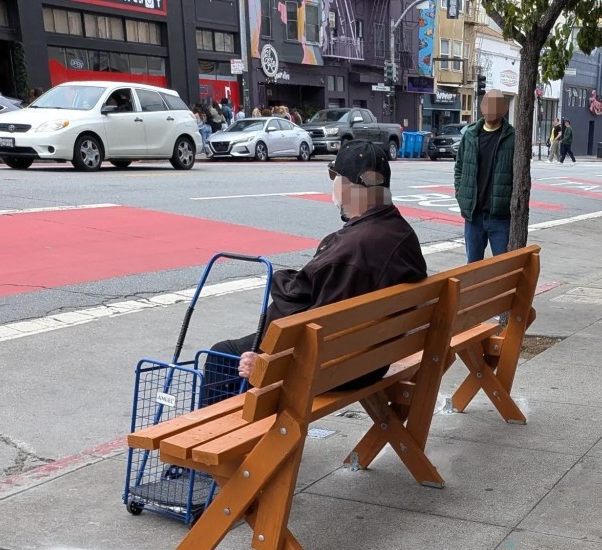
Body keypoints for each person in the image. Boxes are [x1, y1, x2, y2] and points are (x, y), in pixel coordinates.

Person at [210, 140, 427, 388]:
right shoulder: (402, 233)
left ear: (347, 186)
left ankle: (221, 427)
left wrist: (266, 363)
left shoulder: (351, 250)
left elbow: (308, 322)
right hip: (373, 358)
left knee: (221, 355)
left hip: (335, 368)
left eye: (334, 176)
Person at [453, 89, 515, 263]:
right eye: (487, 103)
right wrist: (460, 193)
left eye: (496, 104)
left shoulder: (512, 137)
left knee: (503, 268)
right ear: (481, 107)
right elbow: (459, 167)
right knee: (473, 267)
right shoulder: (471, 135)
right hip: (474, 216)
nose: (491, 108)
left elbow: (520, 176)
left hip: (500, 216)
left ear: (504, 109)